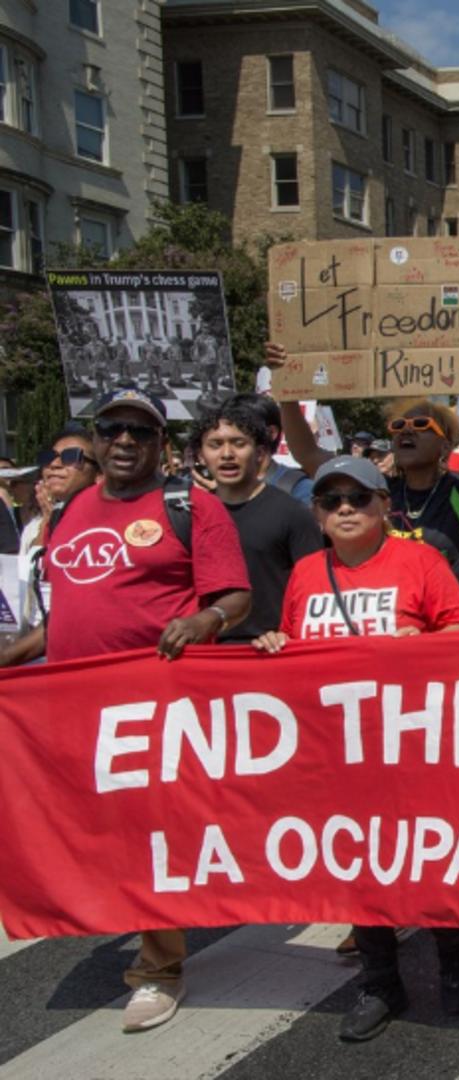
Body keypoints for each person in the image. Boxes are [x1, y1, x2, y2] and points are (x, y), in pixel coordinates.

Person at [4, 387, 251, 1033]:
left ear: (160, 445)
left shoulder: (189, 508)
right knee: (99, 830)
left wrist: (205, 620)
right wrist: (16, 654)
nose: (123, 440)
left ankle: (157, 968)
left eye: (139, 431)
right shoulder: (72, 510)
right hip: (71, 704)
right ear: (95, 437)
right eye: (111, 427)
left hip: (153, 705)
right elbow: (67, 615)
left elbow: (235, 598)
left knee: (149, 834)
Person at [251, 456, 459, 1042]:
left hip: (412, 744)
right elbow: (297, 650)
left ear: (384, 506)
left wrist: (425, 643)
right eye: (331, 501)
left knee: (427, 854)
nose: (346, 509)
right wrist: (278, 642)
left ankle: (456, 954)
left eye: (358, 497)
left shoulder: (421, 561)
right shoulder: (305, 573)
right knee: (358, 863)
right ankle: (380, 979)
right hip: (336, 750)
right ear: (318, 515)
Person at [267, 341, 459, 582]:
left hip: (455, 615)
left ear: (445, 446)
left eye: (422, 425)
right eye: (399, 426)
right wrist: (288, 389)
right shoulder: (376, 490)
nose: (407, 431)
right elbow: (308, 454)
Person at [190, 398, 324, 642]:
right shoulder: (188, 516)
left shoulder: (293, 513)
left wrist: (287, 635)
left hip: (272, 650)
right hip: (206, 655)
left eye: (239, 444)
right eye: (215, 444)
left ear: (260, 452)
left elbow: (315, 590)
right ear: (200, 454)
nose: (227, 454)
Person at [6, 425, 99, 644]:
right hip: (32, 642)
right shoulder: (35, 526)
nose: (55, 465)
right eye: (49, 457)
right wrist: (48, 523)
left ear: (99, 474)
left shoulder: (105, 526)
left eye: (70, 457)